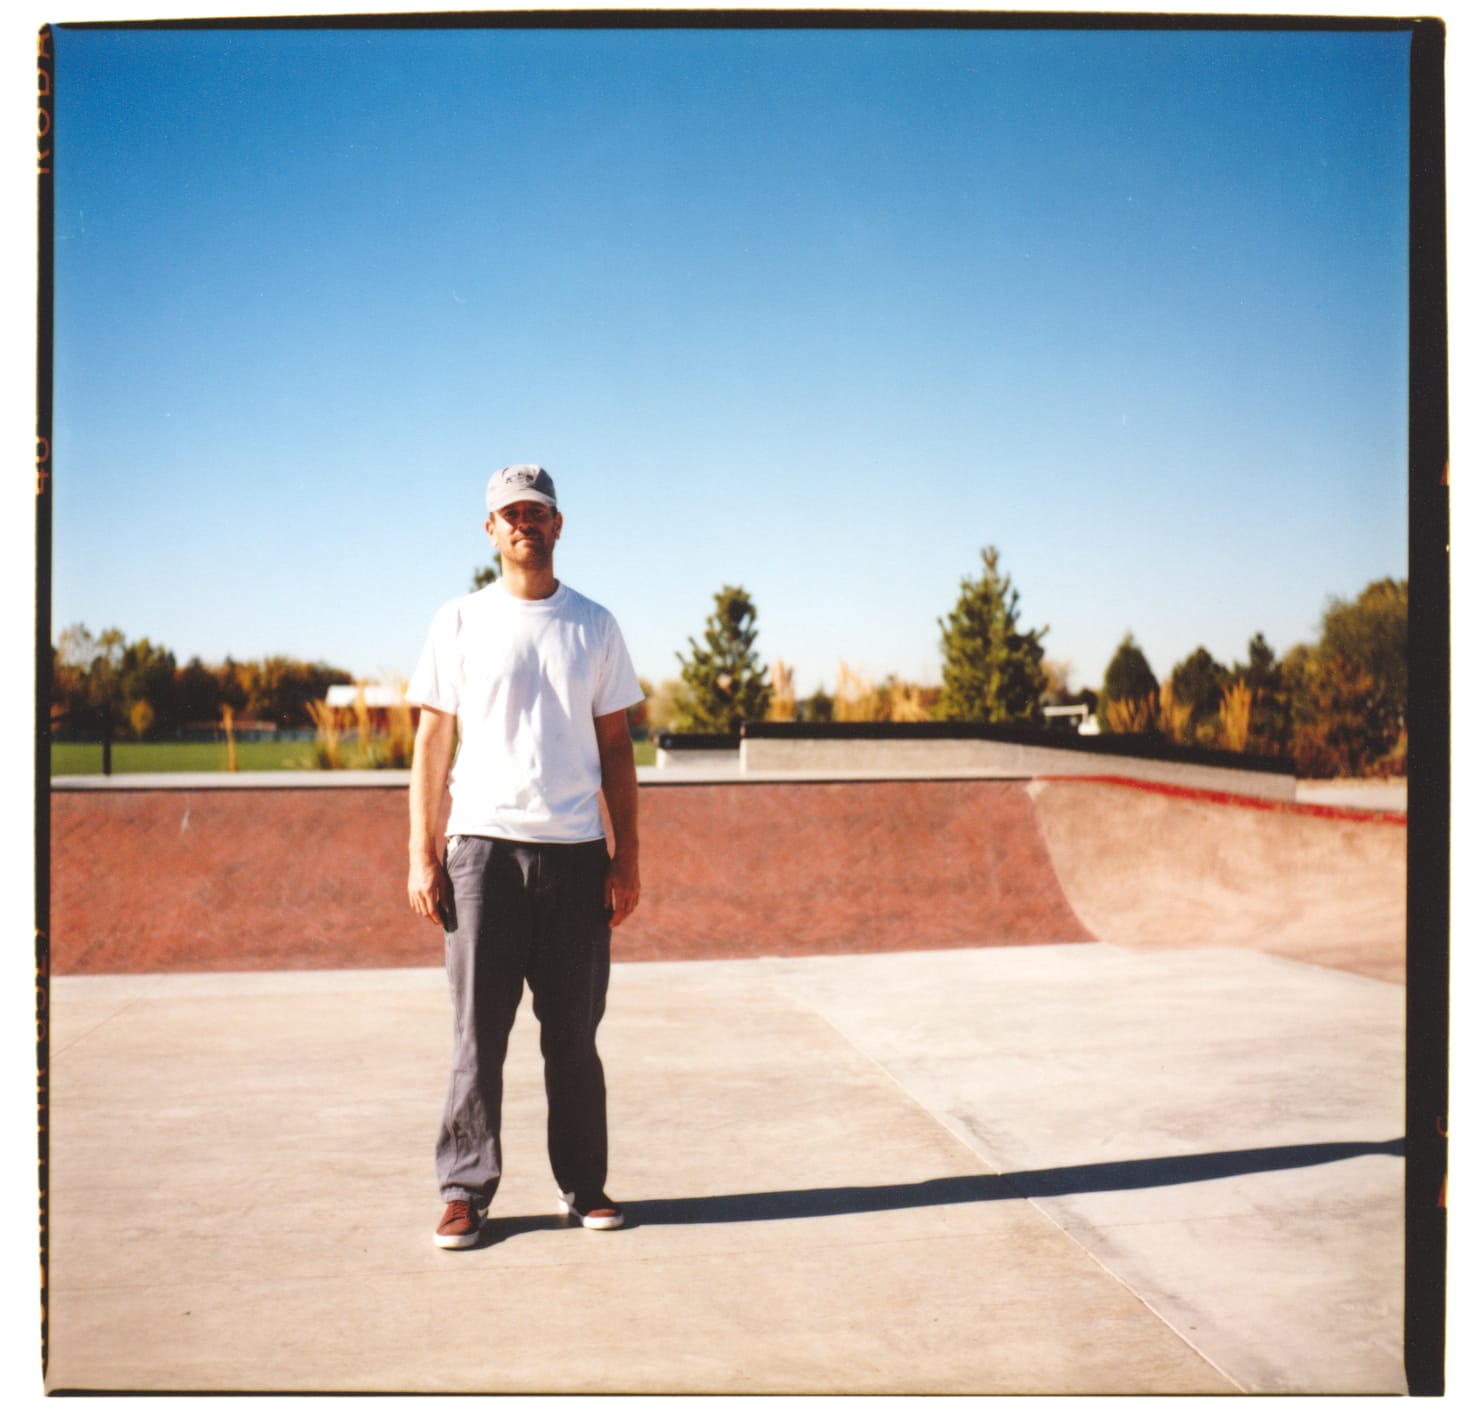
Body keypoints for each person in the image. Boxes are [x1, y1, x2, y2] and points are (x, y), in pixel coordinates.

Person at [405, 464, 644, 1250]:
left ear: (557, 524)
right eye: (509, 514)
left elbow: (617, 747)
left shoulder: (595, 625)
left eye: (536, 513)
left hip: (574, 855)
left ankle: (584, 1186)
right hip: (480, 853)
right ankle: (465, 1191)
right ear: (489, 530)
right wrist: (422, 852)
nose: (523, 525)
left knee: (572, 1035)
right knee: (478, 1034)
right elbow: (432, 740)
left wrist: (625, 855)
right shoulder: (459, 621)